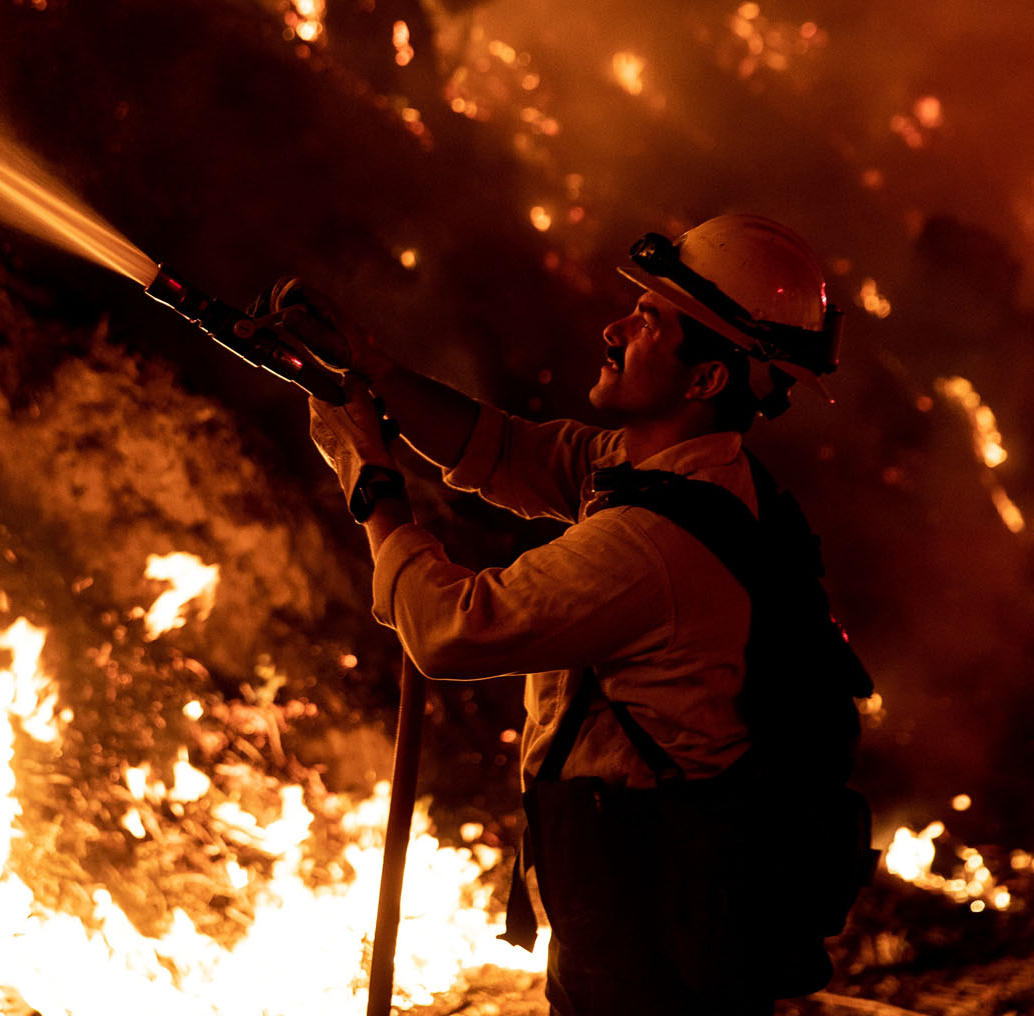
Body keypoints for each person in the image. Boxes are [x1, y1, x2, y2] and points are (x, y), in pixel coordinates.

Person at [306, 214, 851, 1016]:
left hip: (647, 952)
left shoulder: (652, 545)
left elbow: (449, 629)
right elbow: (506, 451)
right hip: (656, 916)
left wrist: (369, 481)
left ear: (704, 381)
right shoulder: (684, 477)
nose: (614, 328)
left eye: (650, 321)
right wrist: (375, 374)